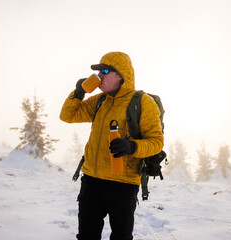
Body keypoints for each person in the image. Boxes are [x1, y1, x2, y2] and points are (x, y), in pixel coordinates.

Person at [60, 51, 164, 240]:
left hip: (122, 185)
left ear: (120, 75)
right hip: (91, 180)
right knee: (86, 236)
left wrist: (132, 147)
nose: (99, 76)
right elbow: (68, 116)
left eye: (105, 71)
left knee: (121, 237)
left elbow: (156, 142)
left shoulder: (142, 103)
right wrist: (78, 93)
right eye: (98, 72)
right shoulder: (100, 100)